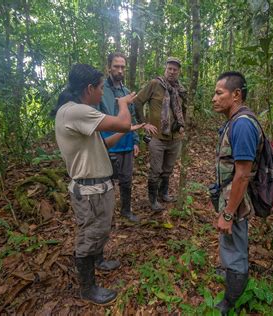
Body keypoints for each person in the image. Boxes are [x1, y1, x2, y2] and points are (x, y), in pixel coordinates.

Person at [53, 64, 142, 305]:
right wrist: (123, 105)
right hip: (90, 190)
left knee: (100, 230)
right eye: (101, 88)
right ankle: (87, 288)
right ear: (89, 88)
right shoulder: (76, 111)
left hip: (98, 187)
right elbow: (121, 122)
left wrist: (128, 131)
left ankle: (99, 261)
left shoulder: (77, 112)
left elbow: (104, 145)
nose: (103, 93)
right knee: (90, 235)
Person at [211, 71, 261, 314]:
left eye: (219, 93)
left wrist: (228, 213)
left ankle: (231, 301)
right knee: (231, 244)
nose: (214, 98)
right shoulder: (235, 121)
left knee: (235, 248)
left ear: (236, 95)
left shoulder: (241, 125)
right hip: (231, 196)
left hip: (237, 201)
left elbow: (243, 174)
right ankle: (230, 275)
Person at [133, 57, 187, 211]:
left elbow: (183, 110)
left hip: (175, 138)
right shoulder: (155, 84)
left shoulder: (180, 89)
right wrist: (144, 123)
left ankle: (163, 194)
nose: (172, 72)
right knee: (156, 169)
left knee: (168, 169)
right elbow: (137, 102)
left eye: (175, 70)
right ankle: (152, 200)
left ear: (179, 72)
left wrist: (182, 125)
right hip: (157, 137)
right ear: (165, 69)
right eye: (169, 68)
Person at [99, 52, 140, 223]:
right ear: (109, 68)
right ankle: (105, 214)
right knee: (106, 181)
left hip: (127, 143)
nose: (120, 70)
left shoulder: (127, 91)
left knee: (126, 179)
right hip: (108, 144)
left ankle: (125, 210)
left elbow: (132, 117)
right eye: (116, 66)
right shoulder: (101, 90)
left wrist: (136, 140)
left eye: (123, 67)